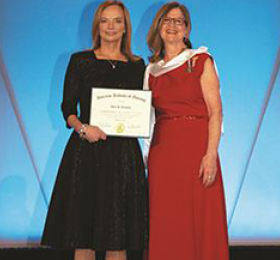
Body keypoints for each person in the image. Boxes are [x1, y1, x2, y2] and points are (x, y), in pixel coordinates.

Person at [41, 1, 148, 260]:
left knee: (117, 238)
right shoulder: (80, 61)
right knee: (84, 236)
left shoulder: (137, 65)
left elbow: (144, 106)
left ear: (125, 28)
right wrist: (83, 128)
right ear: (97, 26)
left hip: (124, 155)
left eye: (117, 21)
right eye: (105, 20)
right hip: (87, 152)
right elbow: (67, 108)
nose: (111, 26)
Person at [143, 2, 229, 260]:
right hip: (163, 154)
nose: (172, 25)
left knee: (202, 222)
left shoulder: (201, 60)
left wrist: (211, 154)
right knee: (167, 221)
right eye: (167, 20)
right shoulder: (151, 71)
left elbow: (216, 112)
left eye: (178, 21)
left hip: (197, 152)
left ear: (187, 29)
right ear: (158, 27)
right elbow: (147, 120)